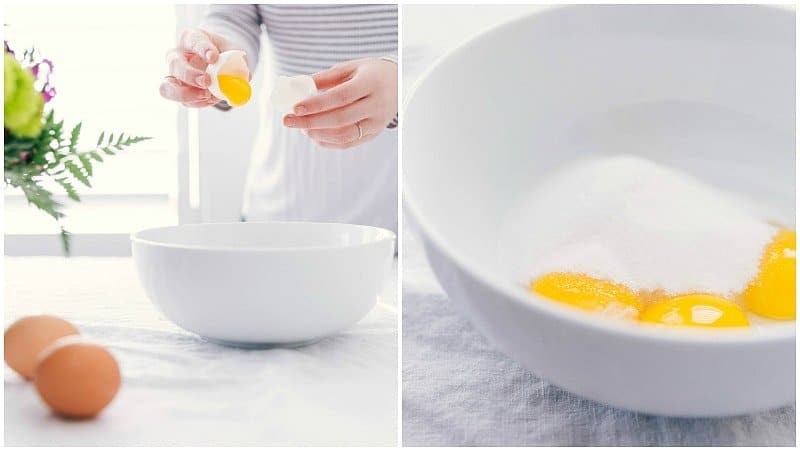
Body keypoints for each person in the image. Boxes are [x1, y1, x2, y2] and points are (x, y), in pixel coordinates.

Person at [160, 4, 398, 232]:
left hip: (400, 218)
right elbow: (232, 17)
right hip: (277, 213)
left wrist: (401, 75)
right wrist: (213, 59)